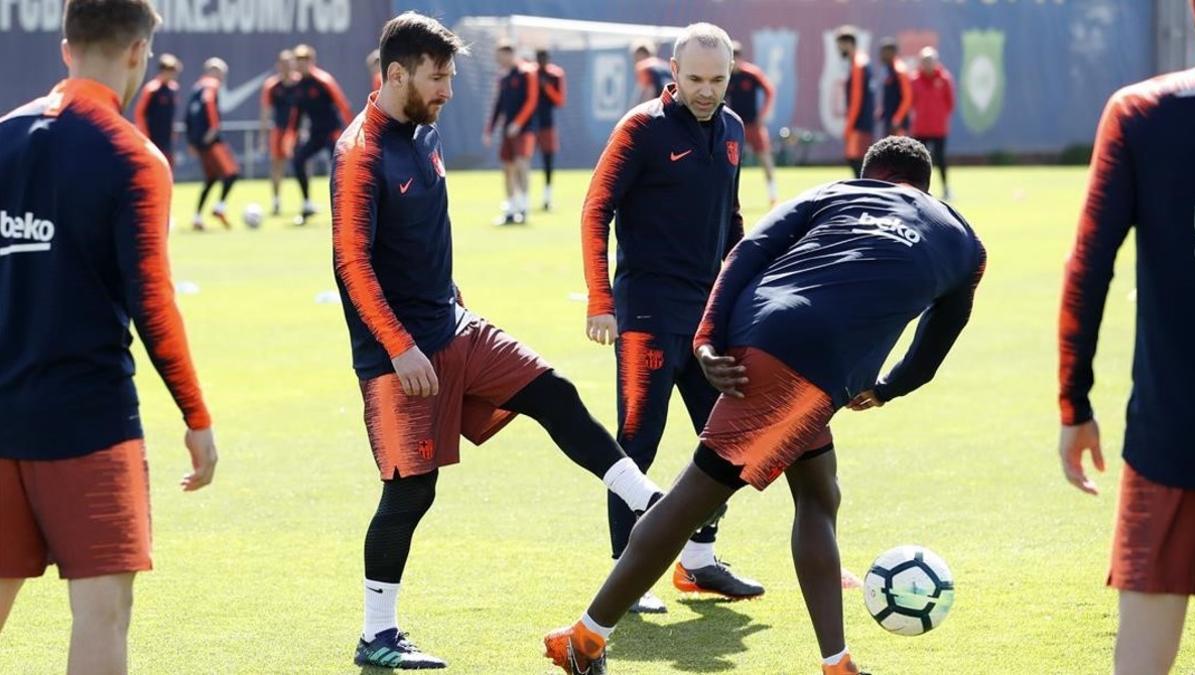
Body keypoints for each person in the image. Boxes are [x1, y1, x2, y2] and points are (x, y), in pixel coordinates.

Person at [547, 136, 986, 675]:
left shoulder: (837, 190)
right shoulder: (964, 242)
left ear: (870, 173)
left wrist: (707, 339)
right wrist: (889, 387)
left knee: (819, 493)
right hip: (810, 369)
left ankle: (837, 663)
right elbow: (931, 352)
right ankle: (584, 640)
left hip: (759, 329)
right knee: (691, 498)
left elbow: (747, 252)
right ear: (925, 187)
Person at [332, 13, 665, 669]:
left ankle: (647, 502)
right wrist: (400, 346)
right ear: (395, 74)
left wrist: (451, 300)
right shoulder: (360, 151)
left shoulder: (422, 134)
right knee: (410, 492)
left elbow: (423, 240)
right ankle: (377, 634)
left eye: (451, 75)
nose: (449, 90)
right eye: (439, 76)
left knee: (554, 392)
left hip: (457, 326)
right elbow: (352, 263)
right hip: (399, 355)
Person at [0, 2, 219, 673]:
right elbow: (153, 304)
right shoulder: (132, 157)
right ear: (136, 52)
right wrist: (197, 416)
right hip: (90, 422)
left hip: (3, 417)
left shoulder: (2, 138)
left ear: (67, 48)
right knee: (102, 613)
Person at [582, 22, 764, 615]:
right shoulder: (641, 128)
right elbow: (595, 210)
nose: (707, 91)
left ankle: (699, 562)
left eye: (717, 80)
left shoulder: (733, 130)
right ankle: (623, 576)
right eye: (695, 79)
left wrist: (740, 298)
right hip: (646, 316)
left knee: (729, 441)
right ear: (673, 73)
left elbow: (731, 221)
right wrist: (600, 300)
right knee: (636, 445)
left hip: (708, 319)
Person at [1058, 3, 1195, 671]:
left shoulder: (1144, 112)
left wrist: (1073, 404)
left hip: (1170, 434)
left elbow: (1089, 267)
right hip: (1166, 436)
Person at [290, 44, 352, 225]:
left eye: (305, 60)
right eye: (298, 61)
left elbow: (343, 105)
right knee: (298, 160)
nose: (301, 64)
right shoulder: (299, 85)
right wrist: (291, 137)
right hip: (316, 134)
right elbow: (296, 115)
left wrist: (354, 131)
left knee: (340, 169)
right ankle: (307, 204)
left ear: (312, 61)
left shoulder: (323, 81)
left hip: (333, 132)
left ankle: (347, 207)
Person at [483, 41, 538, 225]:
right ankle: (510, 209)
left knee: (522, 165)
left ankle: (523, 208)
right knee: (507, 168)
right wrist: (489, 130)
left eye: (501, 55)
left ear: (510, 54)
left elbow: (531, 101)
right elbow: (498, 105)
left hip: (525, 130)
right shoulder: (502, 77)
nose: (498, 60)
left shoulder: (527, 73)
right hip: (507, 131)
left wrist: (518, 123)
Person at [185, 57, 239, 230]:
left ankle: (197, 217)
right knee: (232, 174)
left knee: (211, 179)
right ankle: (219, 208)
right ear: (213, 71)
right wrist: (214, 128)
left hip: (199, 142)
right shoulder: (211, 86)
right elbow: (209, 104)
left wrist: (192, 141)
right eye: (221, 73)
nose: (222, 77)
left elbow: (187, 116)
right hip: (211, 140)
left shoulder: (196, 87)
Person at [726, 41, 778, 205]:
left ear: (740, 57)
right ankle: (730, 198)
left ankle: (773, 193)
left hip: (753, 124)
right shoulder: (725, 76)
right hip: (734, 125)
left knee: (764, 157)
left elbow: (770, 90)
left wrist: (764, 113)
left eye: (735, 57)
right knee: (729, 161)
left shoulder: (752, 73)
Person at [910, 47, 955, 201]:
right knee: (918, 161)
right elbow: (911, 102)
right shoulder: (915, 80)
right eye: (924, 61)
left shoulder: (944, 78)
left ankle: (946, 188)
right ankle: (918, 189)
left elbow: (950, 103)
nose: (927, 64)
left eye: (930, 60)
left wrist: (939, 117)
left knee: (940, 159)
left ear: (936, 61)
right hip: (921, 127)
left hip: (938, 128)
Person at [260, 49, 299, 216]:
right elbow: (265, 111)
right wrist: (262, 137)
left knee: (302, 164)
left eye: (289, 63)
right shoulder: (272, 85)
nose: (286, 67)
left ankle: (305, 200)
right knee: (277, 165)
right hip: (279, 129)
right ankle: (276, 200)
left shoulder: (299, 83)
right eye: (283, 63)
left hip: (296, 130)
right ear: (278, 65)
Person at [835, 26, 873, 178]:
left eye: (840, 45)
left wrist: (849, 126)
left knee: (855, 159)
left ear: (848, 43)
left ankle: (865, 196)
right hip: (863, 121)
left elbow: (856, 99)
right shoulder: (862, 61)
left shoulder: (858, 64)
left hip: (859, 123)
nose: (839, 50)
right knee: (857, 160)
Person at [133, 53, 181, 167]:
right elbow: (140, 113)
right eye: (171, 71)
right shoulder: (152, 89)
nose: (173, 75)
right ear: (163, 71)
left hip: (166, 136)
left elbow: (171, 113)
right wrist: (145, 134)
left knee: (168, 164)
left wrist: (173, 129)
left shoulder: (173, 88)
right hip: (152, 135)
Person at [534, 48, 565, 211]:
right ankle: (521, 200)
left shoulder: (555, 75)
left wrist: (547, 88)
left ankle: (547, 196)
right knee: (522, 161)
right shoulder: (531, 74)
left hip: (547, 124)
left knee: (548, 160)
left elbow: (560, 100)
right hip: (530, 124)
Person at [878, 38, 912, 136]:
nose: (881, 55)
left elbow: (907, 98)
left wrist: (898, 117)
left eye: (884, 52)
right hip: (889, 121)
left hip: (898, 124)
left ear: (892, 52)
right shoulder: (887, 69)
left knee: (899, 150)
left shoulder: (900, 70)